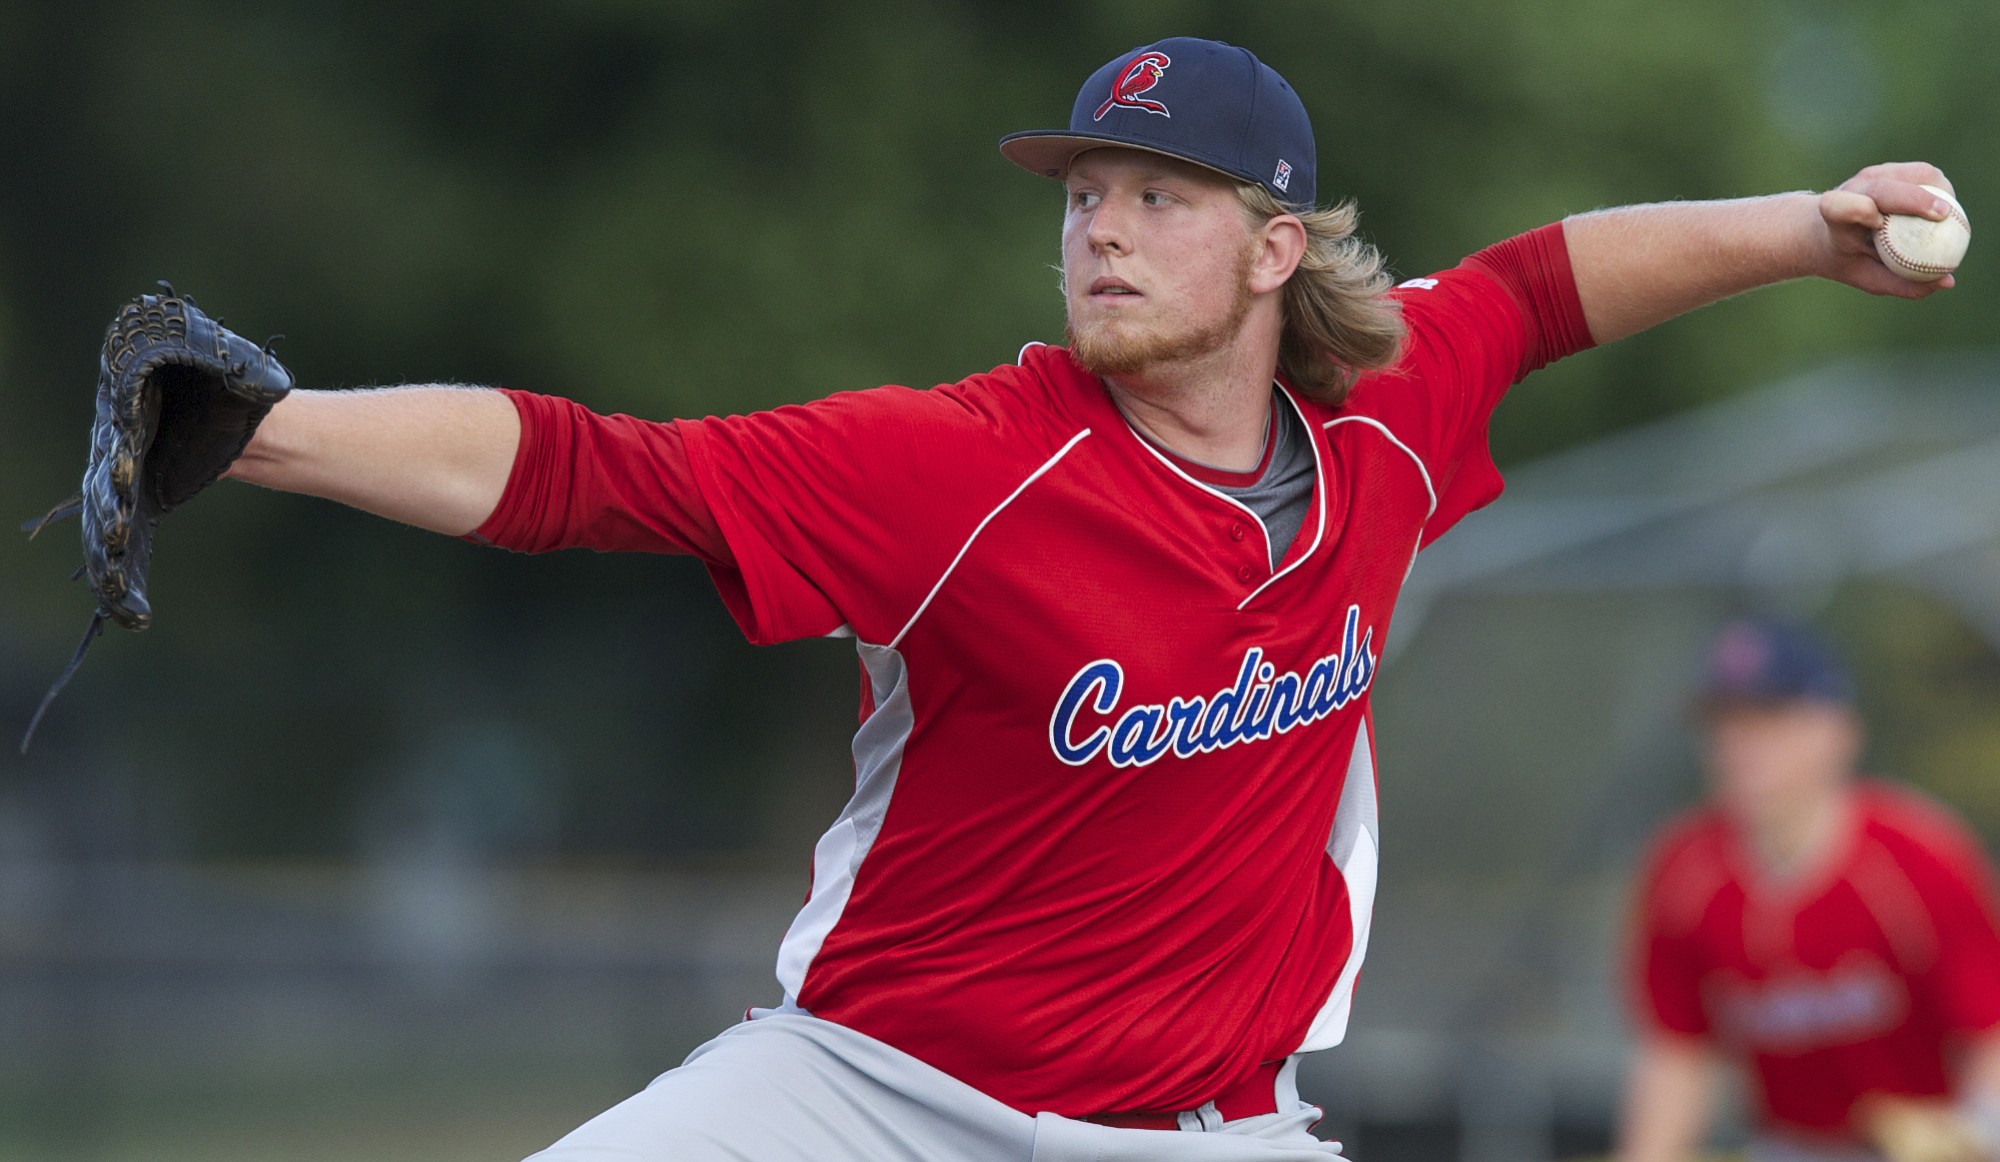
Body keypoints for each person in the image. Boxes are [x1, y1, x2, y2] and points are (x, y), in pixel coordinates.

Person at [218, 34, 1961, 1162]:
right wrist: (258, 433)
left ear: (1279, 248)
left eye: (1158, 195)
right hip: (877, 1100)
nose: (1101, 228)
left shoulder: (1387, 425)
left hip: (1219, 1129)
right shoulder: (962, 466)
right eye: (1086, 194)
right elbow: (600, 469)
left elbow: (1549, 282)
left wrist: (1811, 226)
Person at [1620, 617, 2000, 1162]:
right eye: (1722, 724)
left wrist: (1977, 1131)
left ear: (1836, 729)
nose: (1737, 745)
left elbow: (1991, 1031)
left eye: (1766, 720)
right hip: (1788, 1147)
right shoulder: (1683, 871)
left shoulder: (1916, 857)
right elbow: (1677, 1052)